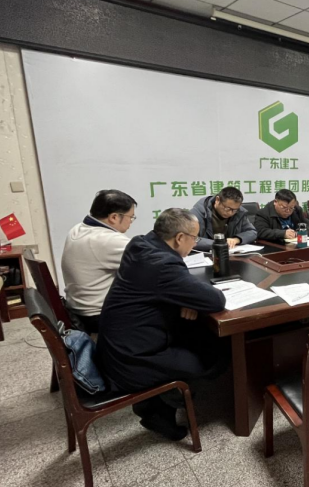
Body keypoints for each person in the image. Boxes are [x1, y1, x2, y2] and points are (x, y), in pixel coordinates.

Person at [97, 209, 227, 441]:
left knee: (196, 333)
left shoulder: (140, 244)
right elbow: (216, 300)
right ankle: (159, 408)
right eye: (194, 238)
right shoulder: (162, 264)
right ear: (179, 238)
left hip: (117, 344)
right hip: (133, 358)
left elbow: (160, 287)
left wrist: (185, 298)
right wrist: (189, 297)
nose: (195, 243)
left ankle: (157, 404)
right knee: (215, 355)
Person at [61, 189, 137, 334]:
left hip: (78, 308)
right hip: (99, 315)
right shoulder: (107, 240)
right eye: (131, 217)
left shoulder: (78, 229)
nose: (131, 222)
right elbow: (152, 261)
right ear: (114, 217)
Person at [190, 186, 257, 251]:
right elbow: (190, 238)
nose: (230, 213)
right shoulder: (199, 212)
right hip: (206, 253)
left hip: (229, 253)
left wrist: (236, 239)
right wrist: (219, 244)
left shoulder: (239, 212)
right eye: (227, 208)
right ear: (217, 200)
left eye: (234, 210)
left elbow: (252, 232)